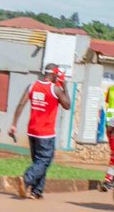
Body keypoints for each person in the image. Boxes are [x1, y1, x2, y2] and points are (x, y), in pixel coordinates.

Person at [9, 63, 72, 199]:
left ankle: (36, 192)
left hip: (32, 130)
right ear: (55, 74)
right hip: (46, 133)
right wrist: (64, 86)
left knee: (38, 162)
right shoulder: (56, 89)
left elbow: (21, 104)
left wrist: (14, 124)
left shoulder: (32, 86)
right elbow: (67, 105)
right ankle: (26, 179)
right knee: (44, 161)